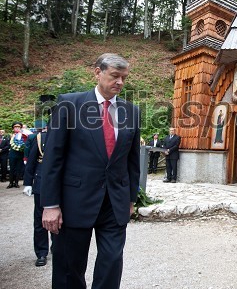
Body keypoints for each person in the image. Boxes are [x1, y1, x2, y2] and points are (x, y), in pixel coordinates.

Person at [40, 53, 141, 289]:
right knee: (69, 267)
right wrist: (51, 204)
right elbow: (53, 158)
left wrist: (130, 198)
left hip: (114, 202)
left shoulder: (131, 111)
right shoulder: (69, 104)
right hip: (75, 201)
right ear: (97, 72)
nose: (120, 82)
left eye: (124, 78)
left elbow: (132, 161)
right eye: (115, 76)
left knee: (112, 262)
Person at [23, 124, 51, 267]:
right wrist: (28, 182)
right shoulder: (40, 138)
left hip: (64, 185)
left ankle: (57, 247)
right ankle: (41, 252)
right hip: (42, 181)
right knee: (40, 220)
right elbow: (32, 160)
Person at [8, 122, 27, 188]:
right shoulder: (10, 135)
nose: (17, 128)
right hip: (12, 154)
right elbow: (8, 145)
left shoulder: (24, 135)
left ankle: (16, 182)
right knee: (12, 168)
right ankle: (10, 182)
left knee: (18, 168)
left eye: (19, 127)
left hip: (20, 154)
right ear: (13, 128)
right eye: (15, 127)